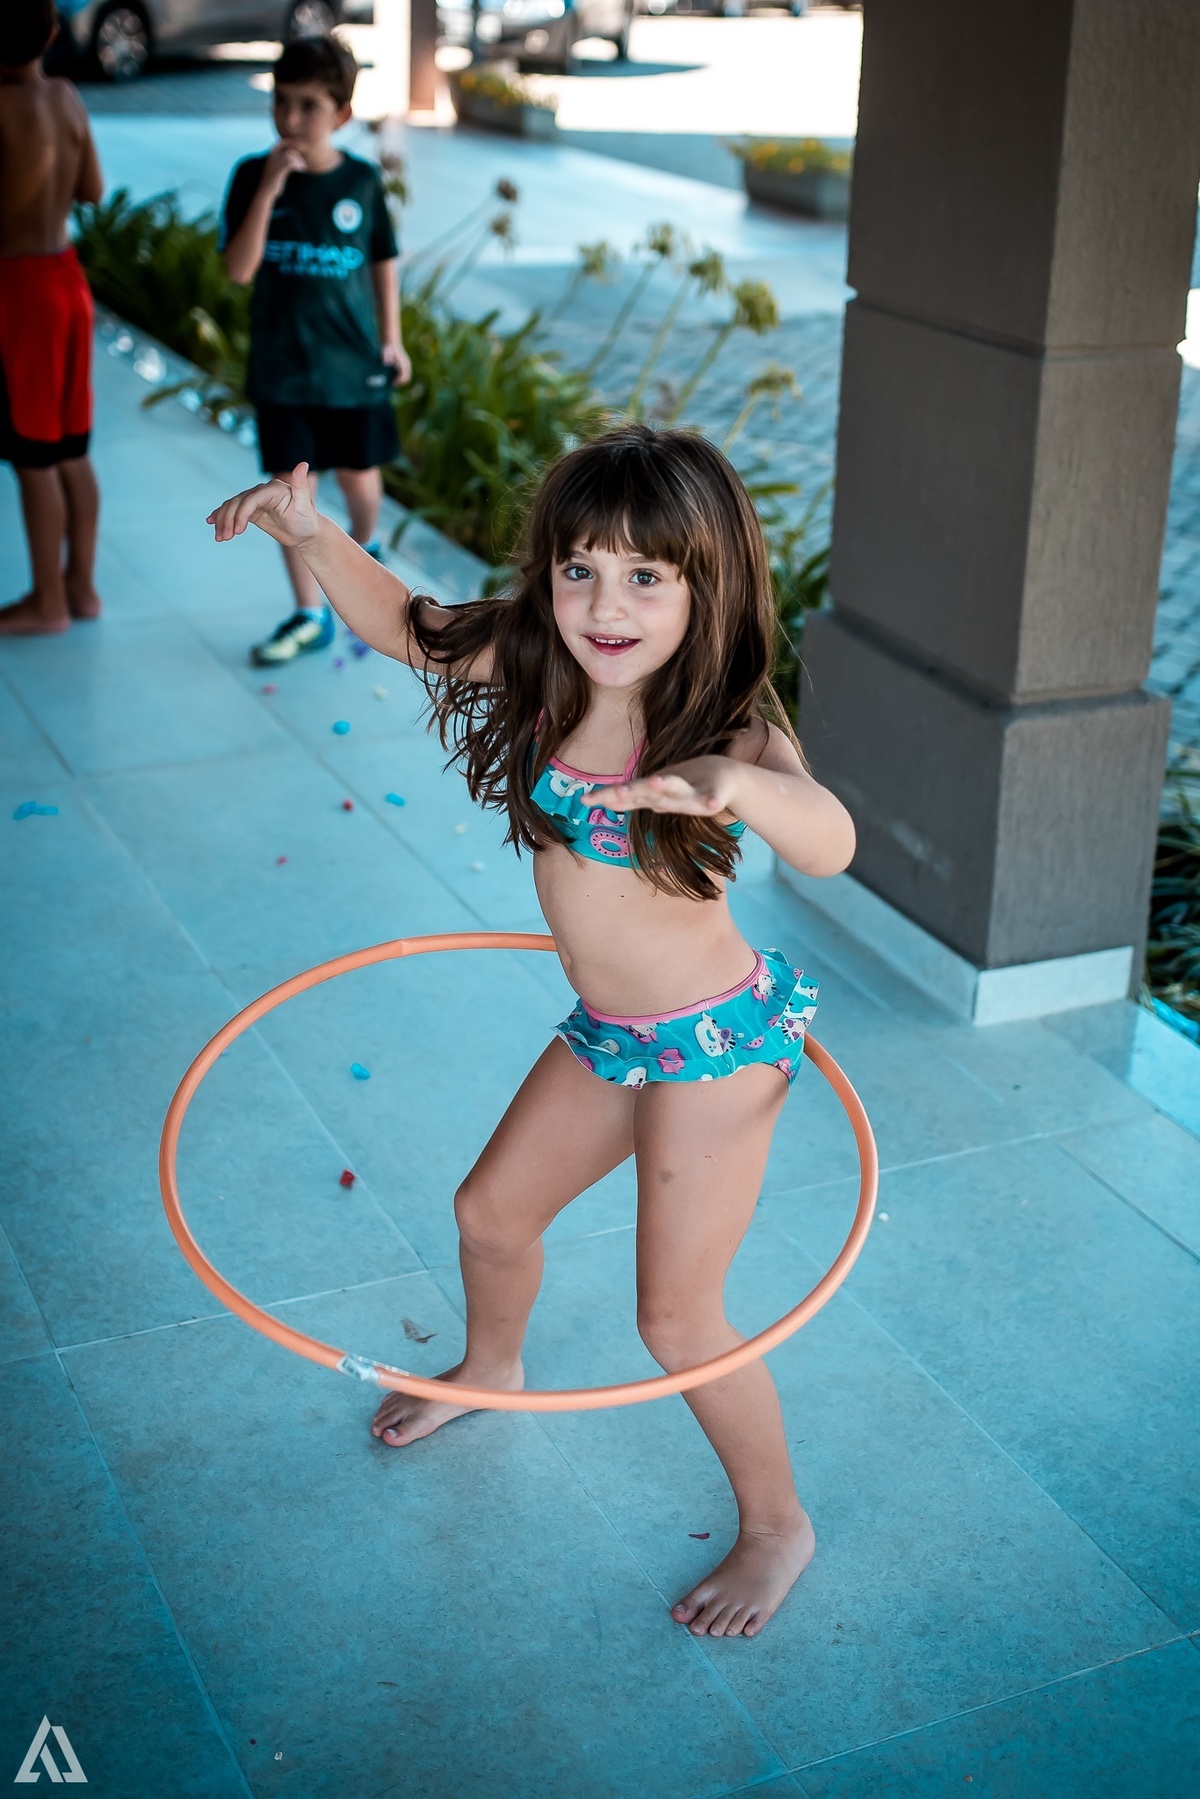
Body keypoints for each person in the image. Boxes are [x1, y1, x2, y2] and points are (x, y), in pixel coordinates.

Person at [207, 426, 857, 1639]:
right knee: (489, 1211)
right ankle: (492, 1365)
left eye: (646, 577)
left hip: (717, 1043)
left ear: (706, 584)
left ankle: (778, 1522)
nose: (604, 604)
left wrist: (740, 786)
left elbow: (830, 836)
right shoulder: (540, 661)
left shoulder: (719, 719)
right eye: (580, 569)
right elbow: (408, 623)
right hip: (612, 1031)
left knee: (675, 1316)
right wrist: (307, 532)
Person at [218, 33, 410, 668]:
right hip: (284, 373)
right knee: (288, 492)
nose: (290, 119)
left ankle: (364, 550)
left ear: (342, 116)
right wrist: (270, 191)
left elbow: (383, 261)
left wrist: (393, 339)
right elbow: (239, 270)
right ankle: (308, 613)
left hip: (352, 368)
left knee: (360, 478)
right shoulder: (251, 175)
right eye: (282, 102)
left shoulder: (360, 181)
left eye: (308, 106)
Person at [0, 0, 103, 637]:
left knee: (33, 456)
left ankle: (47, 603)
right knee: (70, 448)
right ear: (55, 34)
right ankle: (81, 587)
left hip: (18, 290)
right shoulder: (66, 96)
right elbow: (91, 189)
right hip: (67, 280)